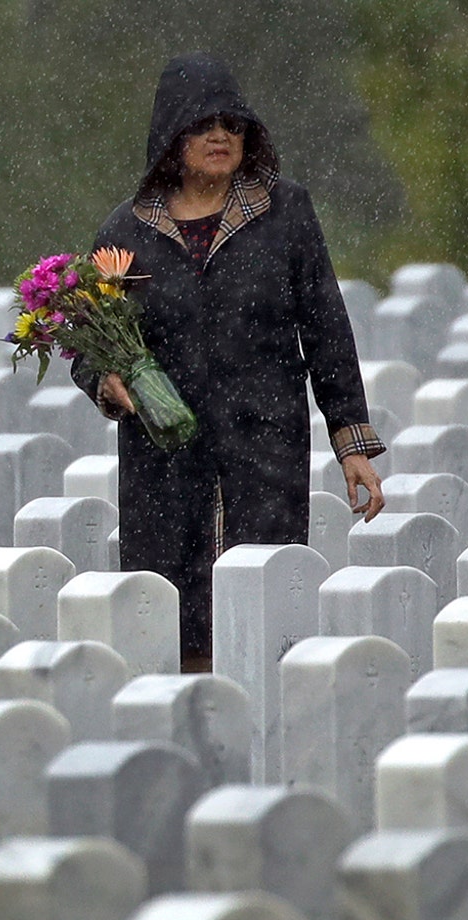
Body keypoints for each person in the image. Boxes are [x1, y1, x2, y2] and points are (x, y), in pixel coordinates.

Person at [76, 53, 384, 673]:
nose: (220, 137)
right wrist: (107, 381)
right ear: (171, 136)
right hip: (163, 465)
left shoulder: (285, 213)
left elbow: (325, 326)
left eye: (232, 125)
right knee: (171, 618)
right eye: (203, 125)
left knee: (262, 607)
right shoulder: (126, 233)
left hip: (263, 445)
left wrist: (351, 442)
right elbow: (88, 339)